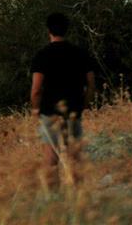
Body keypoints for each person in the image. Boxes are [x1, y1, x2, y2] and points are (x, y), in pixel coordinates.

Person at [30, 12, 96, 185]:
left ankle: (53, 195)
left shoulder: (42, 55)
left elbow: (36, 89)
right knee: (75, 157)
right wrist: (84, 105)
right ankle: (78, 193)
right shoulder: (80, 53)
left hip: (49, 113)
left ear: (48, 30)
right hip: (74, 110)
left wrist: (36, 110)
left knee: (51, 157)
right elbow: (91, 84)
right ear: (67, 29)